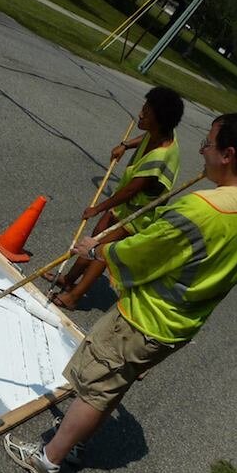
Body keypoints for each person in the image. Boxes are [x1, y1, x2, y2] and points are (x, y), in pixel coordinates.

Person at [6, 112, 237, 473]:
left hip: (145, 318)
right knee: (117, 382)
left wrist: (97, 250)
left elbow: (142, 252)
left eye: (208, 144)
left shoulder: (204, 209)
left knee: (97, 386)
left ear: (228, 154)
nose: (202, 153)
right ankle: (77, 441)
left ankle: (48, 458)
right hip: (181, 324)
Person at [44, 87, 184, 310]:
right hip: (126, 205)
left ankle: (74, 296)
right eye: (143, 109)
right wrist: (126, 145)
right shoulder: (161, 132)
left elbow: (130, 191)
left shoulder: (160, 157)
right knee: (95, 237)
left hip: (138, 214)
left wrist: (97, 208)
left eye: (146, 113)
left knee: (102, 251)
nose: (140, 114)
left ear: (159, 120)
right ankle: (68, 280)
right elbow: (145, 137)